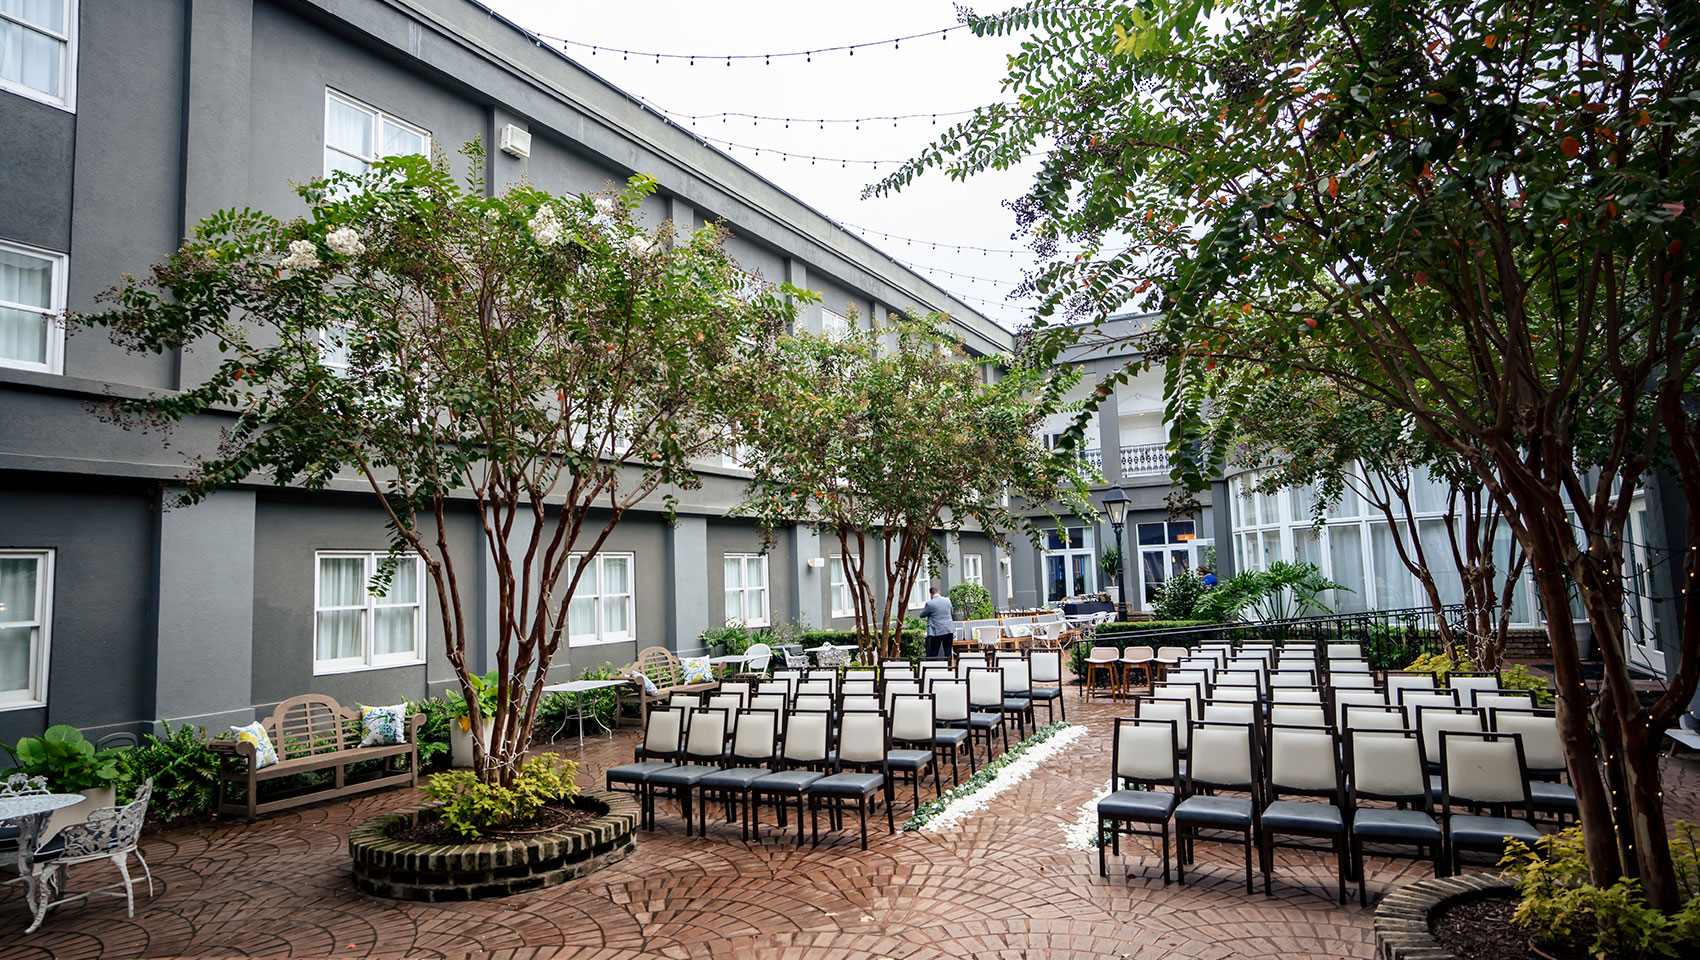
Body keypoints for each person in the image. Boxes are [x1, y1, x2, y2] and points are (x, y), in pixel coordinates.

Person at [916, 586, 955, 660]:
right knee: (948, 651)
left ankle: (933, 668)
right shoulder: (947, 600)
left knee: (934, 651)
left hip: (936, 630)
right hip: (948, 629)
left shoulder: (930, 604)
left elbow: (922, 615)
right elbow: (951, 612)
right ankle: (949, 668)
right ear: (939, 592)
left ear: (930, 594)